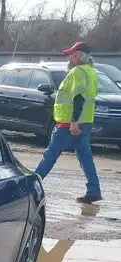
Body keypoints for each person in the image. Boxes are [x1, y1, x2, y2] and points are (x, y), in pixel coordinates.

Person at [34, 41, 101, 204]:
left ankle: (32, 185)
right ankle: (94, 190)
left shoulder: (77, 71)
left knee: (50, 154)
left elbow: (78, 97)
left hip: (70, 124)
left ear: (78, 55)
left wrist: (74, 122)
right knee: (86, 158)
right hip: (85, 122)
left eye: (71, 54)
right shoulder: (92, 72)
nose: (69, 57)